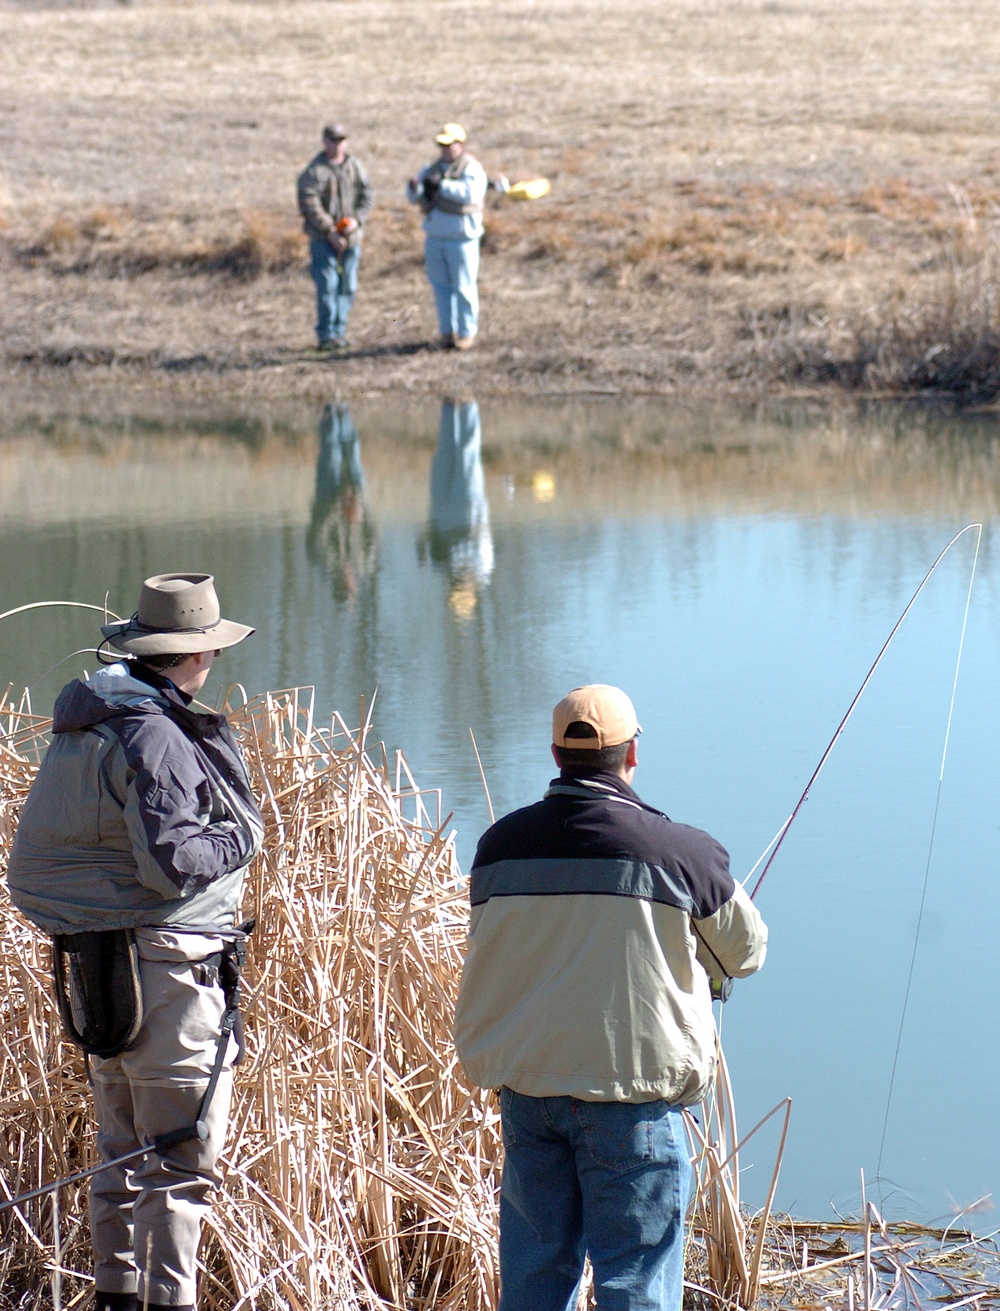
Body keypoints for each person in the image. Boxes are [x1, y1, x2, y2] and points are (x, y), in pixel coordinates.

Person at [453, 685, 768, 1311]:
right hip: (633, 1105)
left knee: (536, 1280)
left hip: (528, 1096)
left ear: (554, 754)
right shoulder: (683, 853)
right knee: (637, 1286)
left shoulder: (497, 849)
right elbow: (748, 954)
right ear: (632, 756)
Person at [5, 573, 264, 1311]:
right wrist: (244, 834)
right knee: (180, 1162)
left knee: (121, 1155)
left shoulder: (89, 722)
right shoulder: (155, 733)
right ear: (198, 655)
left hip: (100, 973)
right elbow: (174, 862)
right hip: (172, 975)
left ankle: (115, 1298)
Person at [406, 123, 488, 350]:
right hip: (435, 235)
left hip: (462, 238)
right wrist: (415, 188)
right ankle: (446, 331)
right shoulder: (430, 168)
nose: (444, 149)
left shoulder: (472, 168)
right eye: (441, 144)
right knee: (440, 287)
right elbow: (414, 197)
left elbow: (470, 193)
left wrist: (442, 185)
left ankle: (466, 332)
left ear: (460, 144)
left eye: (449, 144)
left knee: (464, 286)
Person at [297, 123, 375, 350]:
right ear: (325, 141)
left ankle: (340, 331)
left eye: (341, 139)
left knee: (347, 286)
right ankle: (326, 335)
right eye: (333, 139)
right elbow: (308, 203)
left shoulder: (355, 166)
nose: (338, 144)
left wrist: (356, 220)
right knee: (327, 286)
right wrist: (329, 230)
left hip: (351, 238)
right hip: (323, 240)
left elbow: (367, 196)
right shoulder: (314, 171)